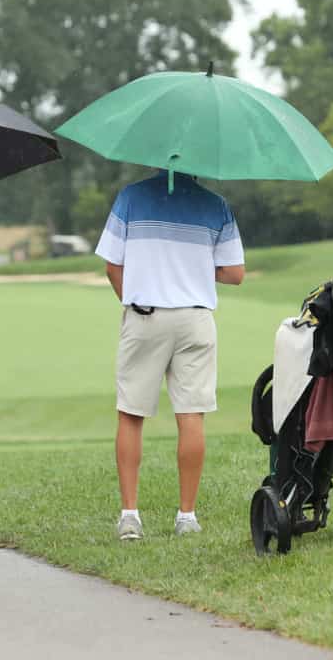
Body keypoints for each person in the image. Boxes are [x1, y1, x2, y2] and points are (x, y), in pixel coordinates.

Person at [95, 169, 245, 540]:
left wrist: (135, 300)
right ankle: (187, 518)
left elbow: (113, 266)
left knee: (131, 414)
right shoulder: (217, 205)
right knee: (191, 415)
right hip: (195, 319)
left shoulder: (131, 196)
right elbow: (235, 273)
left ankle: (130, 516)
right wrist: (192, 266)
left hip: (146, 315)